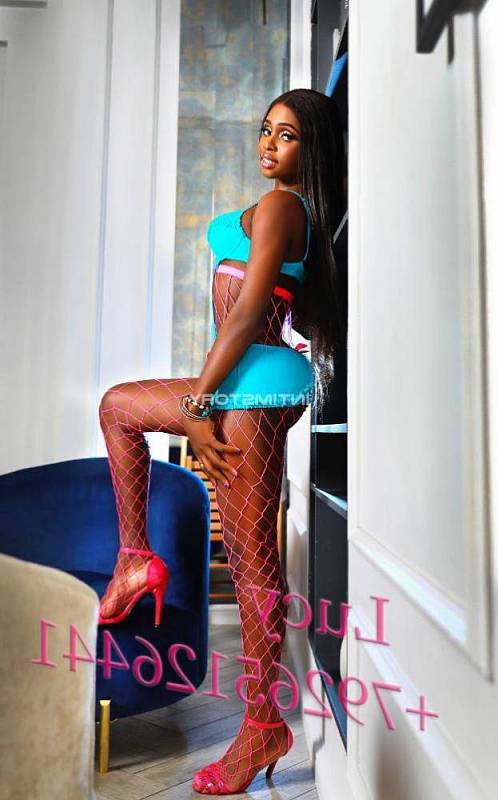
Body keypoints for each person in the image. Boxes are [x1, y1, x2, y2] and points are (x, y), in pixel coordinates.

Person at [97, 87, 346, 795]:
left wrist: (199, 404)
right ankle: (134, 558)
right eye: (266, 129)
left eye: (287, 135)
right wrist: (205, 403)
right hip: (242, 390)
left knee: (250, 561)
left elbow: (244, 317)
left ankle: (261, 723)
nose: (268, 143)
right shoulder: (285, 210)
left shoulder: (284, 207)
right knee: (118, 407)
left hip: (249, 394)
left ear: (313, 149)